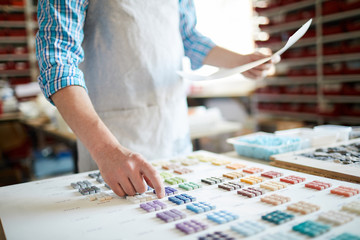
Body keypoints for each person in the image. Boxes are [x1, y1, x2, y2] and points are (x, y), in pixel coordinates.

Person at [36, 0, 274, 199]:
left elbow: (189, 38)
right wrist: (105, 149)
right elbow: (58, 63)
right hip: (114, 140)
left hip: (173, 132)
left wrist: (241, 62)